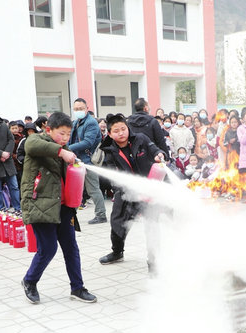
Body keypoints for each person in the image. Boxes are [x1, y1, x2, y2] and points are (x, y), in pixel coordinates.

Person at [20, 111, 97, 304]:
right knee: (48, 248)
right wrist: (61, 152)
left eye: (68, 134)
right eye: (61, 133)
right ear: (48, 130)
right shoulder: (36, 141)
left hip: (64, 207)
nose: (65, 138)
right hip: (41, 204)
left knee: (71, 248)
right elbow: (32, 145)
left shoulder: (66, 149)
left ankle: (77, 288)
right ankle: (30, 281)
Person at [98, 113, 166, 266]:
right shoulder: (109, 150)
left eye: (123, 129)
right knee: (117, 222)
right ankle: (117, 252)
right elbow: (113, 176)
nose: (121, 133)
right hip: (126, 192)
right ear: (110, 134)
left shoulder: (141, 138)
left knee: (152, 224)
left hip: (149, 189)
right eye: (116, 131)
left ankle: (154, 259)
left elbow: (154, 149)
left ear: (128, 128)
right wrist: (127, 190)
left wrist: (159, 154)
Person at [69, 98, 107, 224]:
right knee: (76, 189)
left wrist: (68, 149)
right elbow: (71, 139)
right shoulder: (76, 122)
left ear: (87, 108)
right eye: (76, 109)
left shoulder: (91, 123)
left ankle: (101, 215)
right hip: (78, 161)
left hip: (88, 161)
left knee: (93, 189)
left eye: (81, 108)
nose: (78, 111)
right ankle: (71, 215)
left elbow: (88, 142)